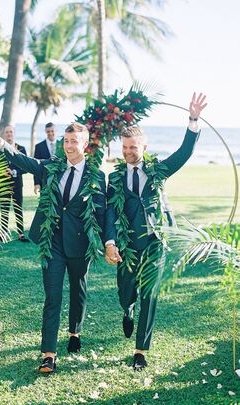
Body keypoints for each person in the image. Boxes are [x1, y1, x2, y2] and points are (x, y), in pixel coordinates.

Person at [0, 119, 106, 374]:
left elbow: (102, 213)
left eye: (74, 142)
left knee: (77, 290)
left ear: (85, 145)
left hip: (80, 244)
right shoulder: (52, 167)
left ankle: (74, 331)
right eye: (66, 141)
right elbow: (27, 162)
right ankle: (48, 354)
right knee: (52, 296)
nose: (69, 146)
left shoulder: (97, 176)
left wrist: (109, 243)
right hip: (53, 242)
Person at [105, 92, 207, 371]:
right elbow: (111, 212)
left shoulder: (157, 170)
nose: (128, 152)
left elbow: (183, 154)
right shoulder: (114, 178)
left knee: (150, 293)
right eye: (124, 147)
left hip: (154, 242)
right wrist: (111, 242)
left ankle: (140, 350)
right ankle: (128, 308)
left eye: (133, 147)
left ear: (144, 146)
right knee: (127, 292)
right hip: (126, 245)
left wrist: (193, 120)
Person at [0, 125, 29, 242]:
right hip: (3, 184)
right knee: (4, 209)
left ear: (14, 133)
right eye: (7, 132)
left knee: (18, 208)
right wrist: (1, 171)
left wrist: (14, 172)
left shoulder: (22, 149)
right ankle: (3, 234)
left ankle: (21, 234)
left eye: (11, 132)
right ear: (4, 135)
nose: (9, 134)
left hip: (17, 183)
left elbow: (26, 168)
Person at [33, 122, 57, 194]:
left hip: (60, 180)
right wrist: (36, 183)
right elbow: (35, 166)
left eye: (52, 131)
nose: (50, 133)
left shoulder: (62, 145)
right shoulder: (39, 146)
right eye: (48, 131)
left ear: (56, 130)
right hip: (44, 180)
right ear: (45, 132)